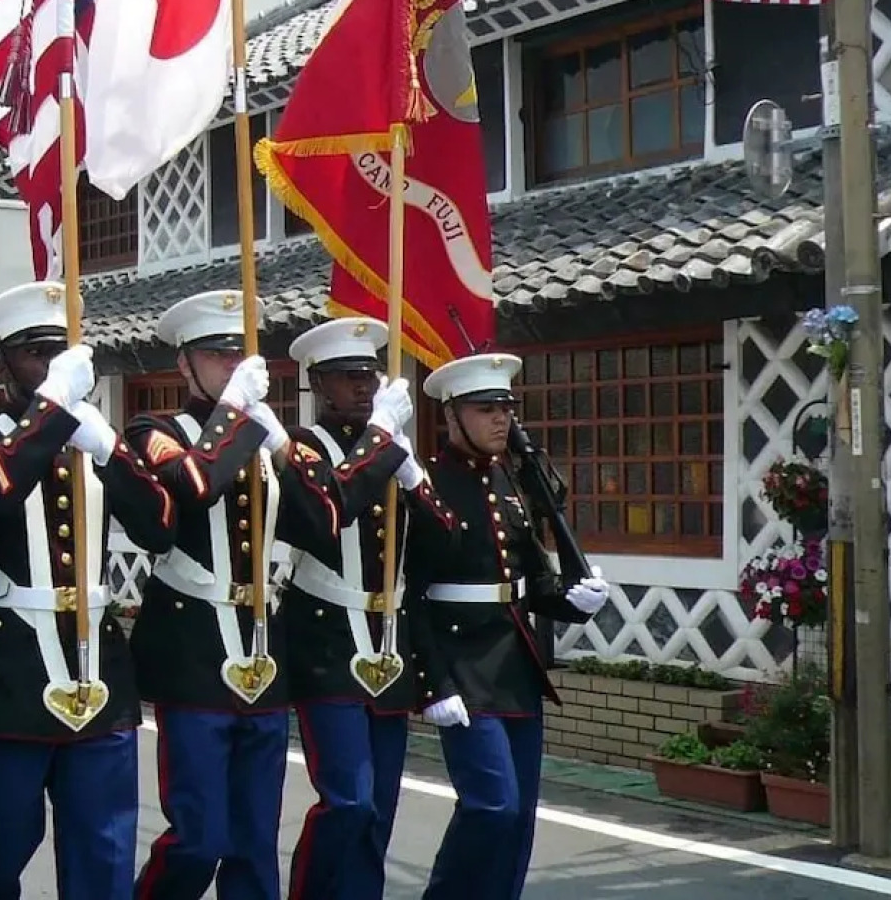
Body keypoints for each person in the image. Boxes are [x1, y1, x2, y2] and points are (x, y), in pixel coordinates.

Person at [0, 281, 176, 900]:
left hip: (97, 670)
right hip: (9, 674)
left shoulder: (92, 436)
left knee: (103, 847)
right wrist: (50, 411)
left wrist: (106, 448)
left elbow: (159, 525)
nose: (49, 366)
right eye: (34, 353)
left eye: (61, 353)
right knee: (6, 841)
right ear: (2, 364)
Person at [409, 353, 611, 900]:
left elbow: (533, 582)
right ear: (452, 415)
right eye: (484, 409)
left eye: (505, 408)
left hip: (514, 663)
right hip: (460, 664)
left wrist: (575, 601)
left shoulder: (511, 483)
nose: (500, 419)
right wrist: (433, 684)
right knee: (490, 803)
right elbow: (409, 598)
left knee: (520, 812)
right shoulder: (426, 486)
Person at [126, 290, 293, 900]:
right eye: (215, 356)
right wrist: (232, 414)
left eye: (238, 355)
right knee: (199, 837)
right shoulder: (158, 430)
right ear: (185, 366)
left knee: (255, 840)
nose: (231, 366)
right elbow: (187, 486)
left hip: (263, 649)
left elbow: (321, 517)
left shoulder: (259, 432)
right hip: (193, 651)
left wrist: (278, 445)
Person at [280, 318, 452, 900]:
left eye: (369, 375)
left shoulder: (390, 446)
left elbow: (446, 538)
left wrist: (412, 472)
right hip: (326, 640)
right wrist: (382, 440)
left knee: (379, 806)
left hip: (387, 643)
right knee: (347, 799)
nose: (361, 386)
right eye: (346, 377)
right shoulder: (302, 447)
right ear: (318, 384)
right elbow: (331, 512)